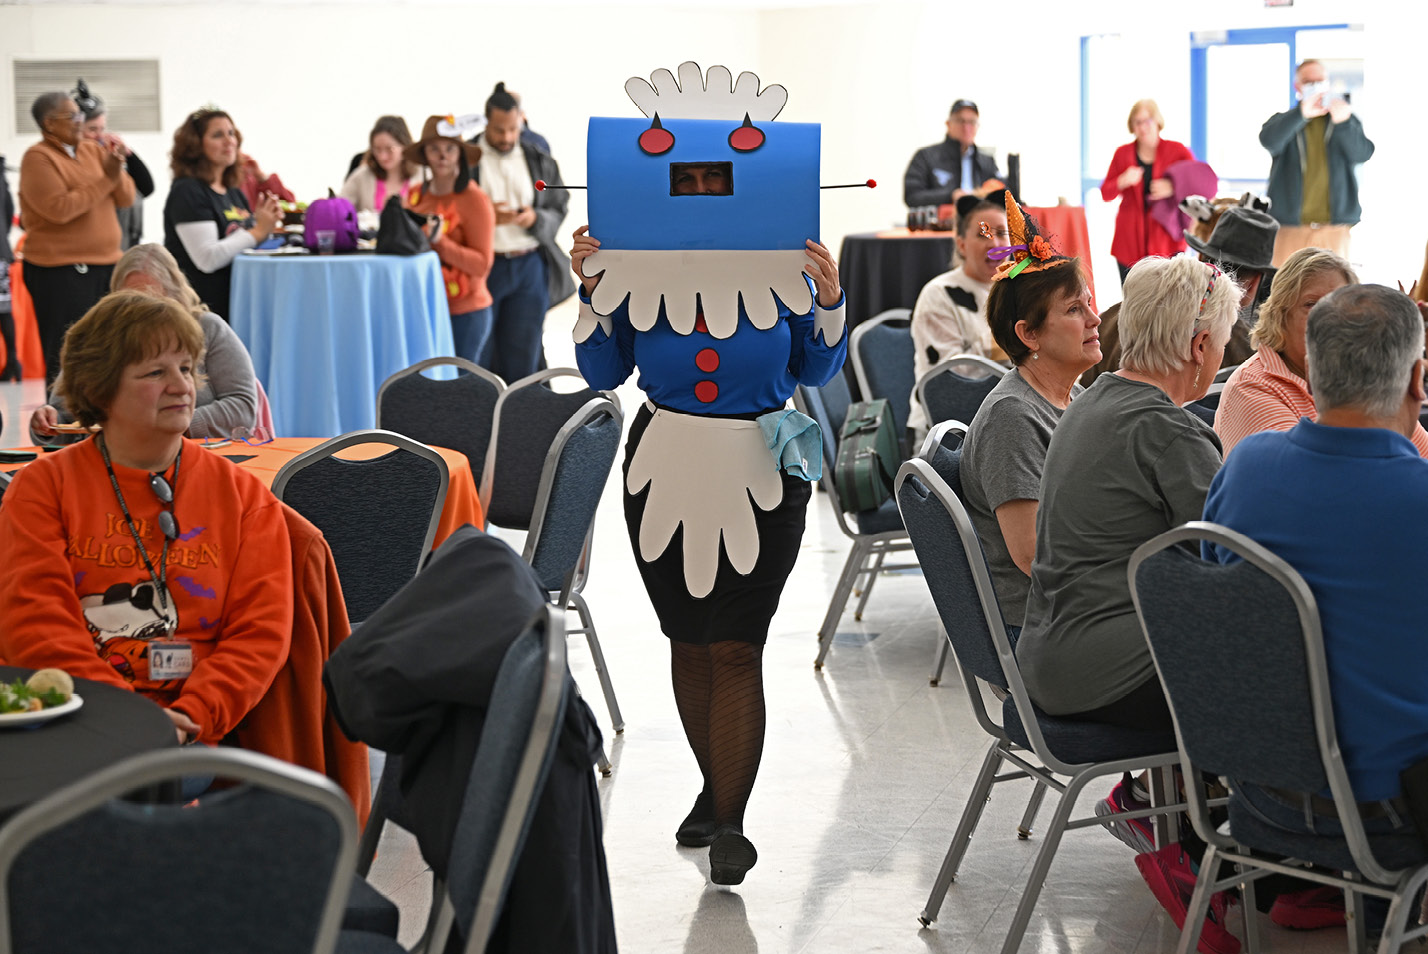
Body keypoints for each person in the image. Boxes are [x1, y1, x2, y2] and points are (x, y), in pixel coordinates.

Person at [1018, 255, 1241, 951]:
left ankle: (1179, 819)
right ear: (1200, 346)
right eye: (1227, 339)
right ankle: (1230, 860)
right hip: (1101, 670)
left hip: (1053, 655)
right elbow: (1241, 563)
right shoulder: (1166, 429)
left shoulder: (1095, 398)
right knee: (1288, 673)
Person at [1202, 284, 1428, 934]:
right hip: (1386, 804)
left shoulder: (1245, 467)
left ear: (1313, 369)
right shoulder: (1417, 497)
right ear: (1417, 379)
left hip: (1256, 784)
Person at [0, 290, 293, 747]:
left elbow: (261, 633)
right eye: (156, 372)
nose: (182, 386)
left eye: (186, 368)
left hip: (201, 734)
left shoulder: (244, 496)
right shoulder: (42, 489)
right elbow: (37, 626)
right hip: (78, 727)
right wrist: (132, 720)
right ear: (100, 390)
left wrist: (191, 717)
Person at [959, 195, 1099, 632]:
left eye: (1089, 303)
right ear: (1029, 334)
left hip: (1076, 604)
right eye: (1075, 310)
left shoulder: (1069, 395)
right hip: (1047, 626)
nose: (1095, 319)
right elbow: (1034, 555)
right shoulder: (1012, 417)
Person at [29, 243, 259, 444]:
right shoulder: (99, 336)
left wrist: (176, 423)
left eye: (151, 300)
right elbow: (65, 415)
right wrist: (48, 423)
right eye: (130, 302)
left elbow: (243, 407)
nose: (141, 313)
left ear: (175, 295)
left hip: (199, 456)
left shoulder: (208, 328)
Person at [1215, 247, 1428, 458]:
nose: (1329, 319)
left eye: (1339, 305)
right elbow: (1314, 475)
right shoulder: (1252, 388)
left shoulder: (1360, 376)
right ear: (1280, 315)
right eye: (1311, 305)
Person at [1081, 205, 1276, 386]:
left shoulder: (1109, 320)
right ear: (1254, 284)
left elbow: (1083, 394)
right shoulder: (1249, 353)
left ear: (1200, 258)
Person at [18, 90, 135, 385]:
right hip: (60, 271)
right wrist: (106, 179)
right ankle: (63, 425)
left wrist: (116, 168)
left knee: (108, 352)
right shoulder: (38, 158)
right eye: (71, 116)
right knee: (67, 353)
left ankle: (101, 424)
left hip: (107, 265)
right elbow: (60, 209)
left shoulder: (93, 150)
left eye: (80, 114)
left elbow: (126, 198)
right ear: (49, 124)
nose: (80, 121)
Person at [470, 83, 574, 382]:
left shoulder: (537, 158)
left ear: (521, 122)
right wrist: (488, 217)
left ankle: (523, 425)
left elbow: (559, 203)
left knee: (525, 356)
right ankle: (482, 424)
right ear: (487, 122)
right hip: (484, 267)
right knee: (481, 354)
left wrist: (534, 218)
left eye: (513, 130)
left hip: (530, 265)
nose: (506, 137)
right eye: (499, 130)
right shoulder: (466, 159)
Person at [163, 108, 282, 321]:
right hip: (201, 314)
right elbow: (207, 259)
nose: (229, 141)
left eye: (231, 133)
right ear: (195, 145)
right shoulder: (188, 191)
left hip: (233, 306)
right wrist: (257, 231)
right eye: (218, 135)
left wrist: (268, 225)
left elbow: (243, 243)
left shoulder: (233, 191)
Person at [907, 195, 1008, 433]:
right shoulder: (938, 294)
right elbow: (949, 379)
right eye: (983, 234)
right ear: (961, 244)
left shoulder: (1020, 288)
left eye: (1002, 233)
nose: (994, 243)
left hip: (1008, 419)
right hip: (947, 430)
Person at [1260, 59, 1374, 267]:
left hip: (1334, 229)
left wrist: (1343, 123)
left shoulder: (1345, 119)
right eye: (1308, 81)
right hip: (1289, 228)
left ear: (1327, 83)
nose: (1315, 84)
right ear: (1298, 86)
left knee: (1336, 295)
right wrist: (1301, 115)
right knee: (1284, 293)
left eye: (1319, 80)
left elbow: (1362, 154)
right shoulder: (1284, 120)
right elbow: (1269, 141)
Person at [405, 115, 496, 365]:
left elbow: (482, 264)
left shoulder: (474, 199)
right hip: (426, 308)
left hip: (466, 312)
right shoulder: (414, 196)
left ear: (460, 153)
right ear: (424, 154)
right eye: (434, 149)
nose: (442, 156)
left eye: (449, 148)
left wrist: (440, 242)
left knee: (461, 390)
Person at [1099, 100, 1195, 283]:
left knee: (1169, 302)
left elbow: (1198, 186)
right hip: (1129, 242)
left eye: (1147, 121)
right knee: (1133, 303)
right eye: (1137, 122)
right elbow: (1105, 193)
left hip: (1167, 241)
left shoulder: (1177, 151)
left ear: (1157, 121)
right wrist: (1122, 180)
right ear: (1132, 126)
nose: (1143, 127)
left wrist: (1173, 187)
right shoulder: (1122, 153)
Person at [73, 79, 154, 250]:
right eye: (92, 130)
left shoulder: (109, 155)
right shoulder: (71, 162)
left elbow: (146, 188)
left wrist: (128, 155)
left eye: (102, 129)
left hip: (125, 243)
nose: (99, 136)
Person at [904, 99, 1001, 208]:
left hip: (979, 222)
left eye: (972, 122)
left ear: (978, 126)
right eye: (960, 121)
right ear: (948, 124)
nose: (966, 127)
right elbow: (912, 196)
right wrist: (950, 195)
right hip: (940, 222)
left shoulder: (987, 162)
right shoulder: (925, 157)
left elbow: (1003, 193)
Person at [340, 115, 420, 213]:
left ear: (404, 146)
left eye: (389, 149)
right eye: (377, 149)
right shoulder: (362, 176)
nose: (383, 156)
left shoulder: (422, 176)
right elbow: (340, 208)